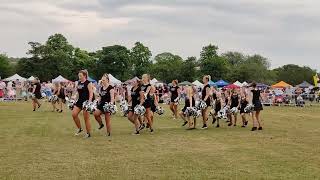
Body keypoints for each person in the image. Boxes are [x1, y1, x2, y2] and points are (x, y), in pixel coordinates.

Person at [72, 70, 94, 138]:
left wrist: (89, 102)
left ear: (84, 76)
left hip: (86, 102)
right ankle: (80, 128)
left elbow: (91, 93)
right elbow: (78, 93)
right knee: (74, 114)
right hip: (79, 101)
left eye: (80, 76)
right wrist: (75, 99)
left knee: (86, 118)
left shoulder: (88, 83)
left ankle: (88, 133)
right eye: (79, 75)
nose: (79, 77)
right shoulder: (78, 82)